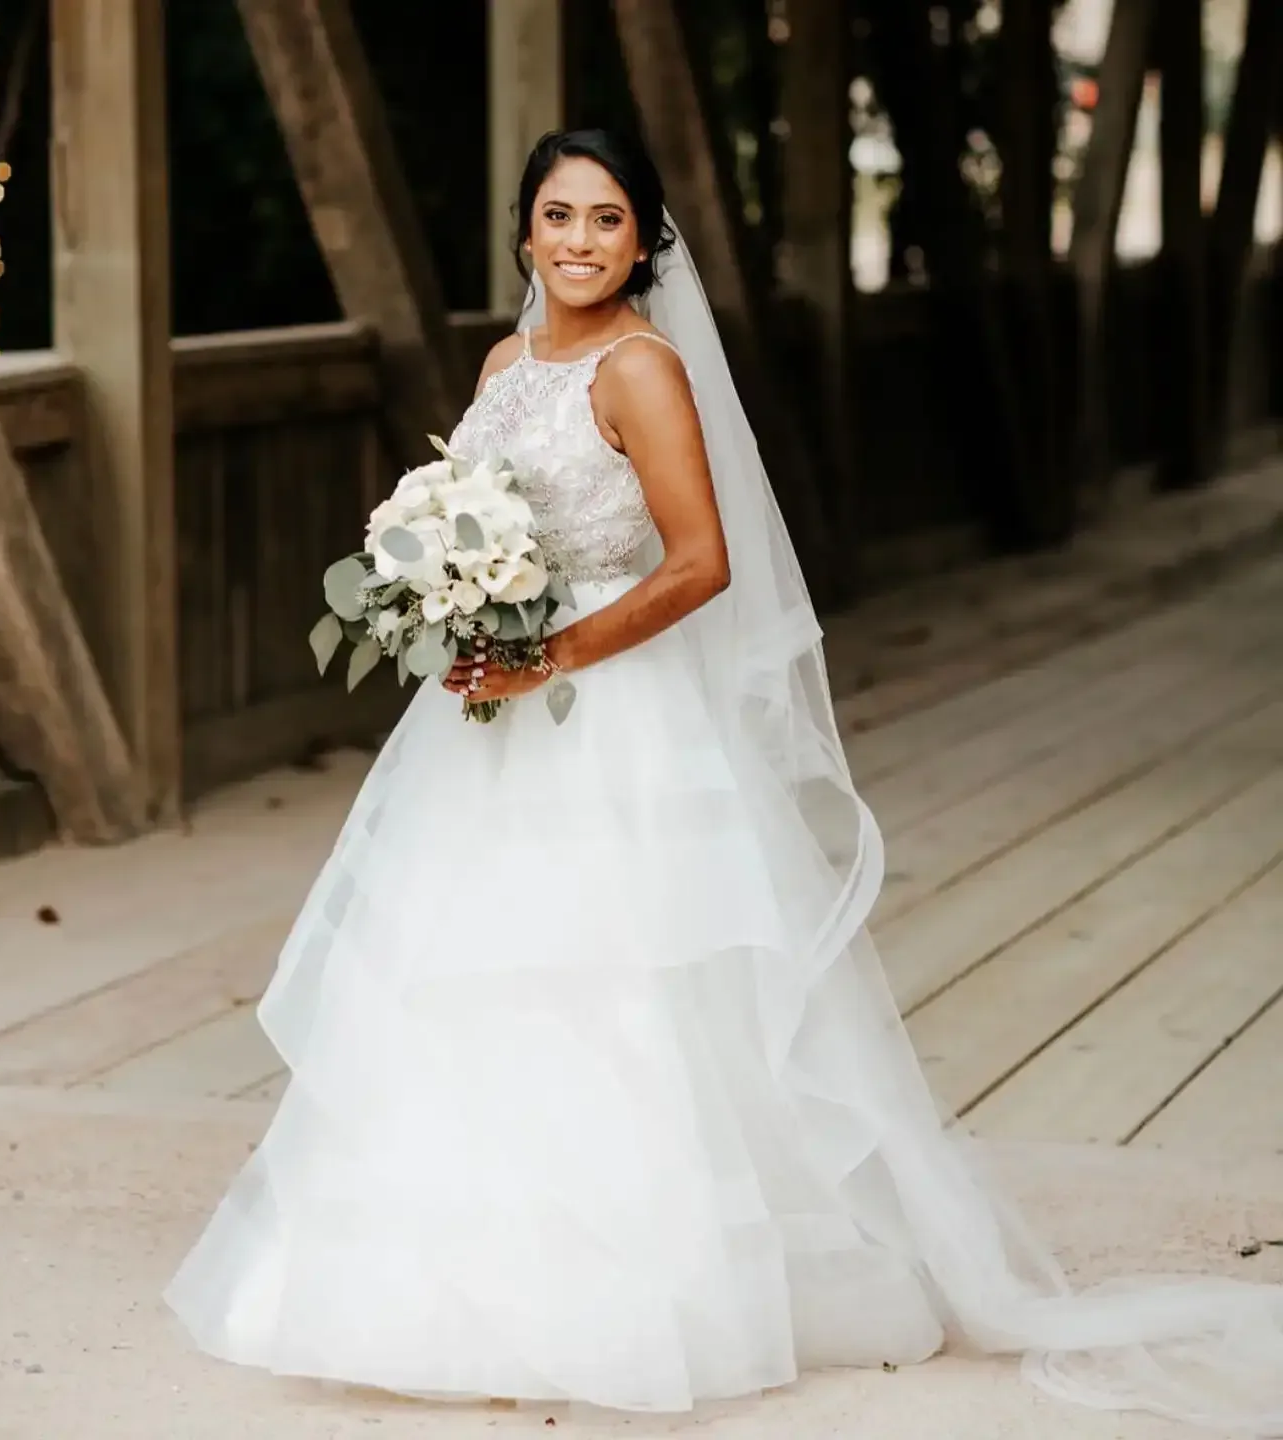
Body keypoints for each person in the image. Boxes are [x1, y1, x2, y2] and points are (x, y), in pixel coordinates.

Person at [165, 128, 1283, 1431]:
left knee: (615, 982)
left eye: (606, 220)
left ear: (645, 240)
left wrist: (556, 649)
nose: (579, 241)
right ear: (525, 230)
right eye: (557, 216)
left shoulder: (644, 370)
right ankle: (438, 1285)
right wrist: (451, 606)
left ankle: (636, 1294)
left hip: (608, 710)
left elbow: (700, 562)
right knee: (463, 974)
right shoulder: (504, 361)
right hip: (486, 717)